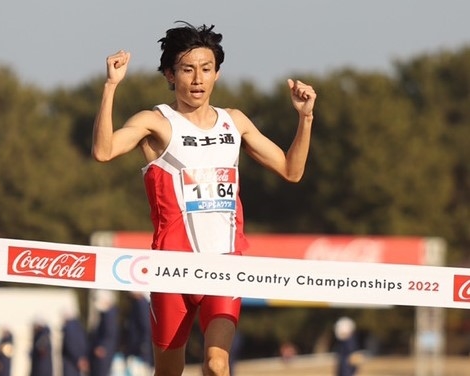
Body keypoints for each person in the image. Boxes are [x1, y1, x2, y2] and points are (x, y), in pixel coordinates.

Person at [92, 21, 316, 376]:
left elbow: (291, 170)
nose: (197, 79)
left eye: (206, 69)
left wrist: (305, 119)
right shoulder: (156, 122)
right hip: (172, 270)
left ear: (217, 75)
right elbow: (103, 151)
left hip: (226, 264)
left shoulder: (235, 122)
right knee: (169, 372)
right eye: (187, 69)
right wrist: (110, 87)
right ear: (170, 74)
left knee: (217, 363)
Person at [61, 311, 89, 376]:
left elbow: (70, 345)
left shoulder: (69, 328)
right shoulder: (79, 326)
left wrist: (78, 358)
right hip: (79, 359)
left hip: (71, 361)